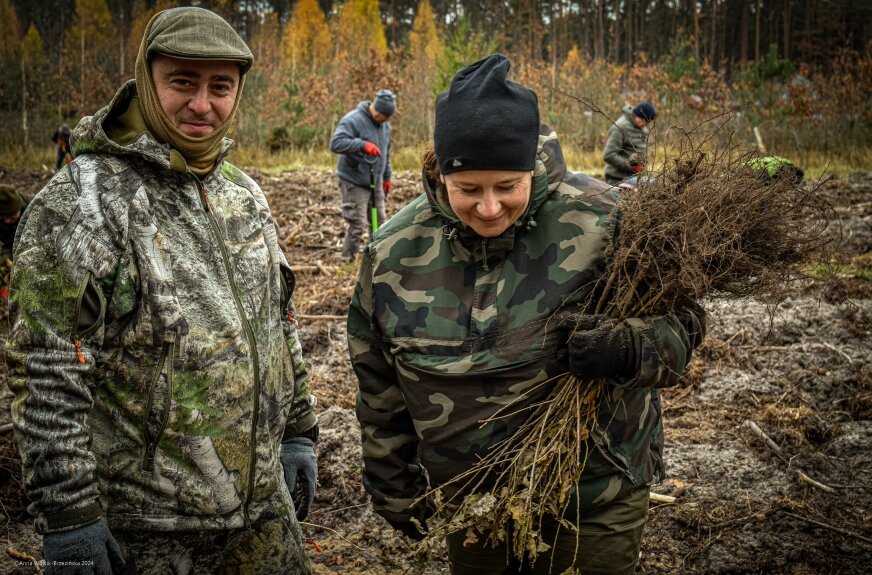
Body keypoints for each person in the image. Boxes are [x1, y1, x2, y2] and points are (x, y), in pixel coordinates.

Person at [348, 54, 706, 574]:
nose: (489, 208)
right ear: (441, 171)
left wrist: (630, 347)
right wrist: (393, 487)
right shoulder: (392, 254)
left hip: (594, 501)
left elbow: (688, 326)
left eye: (507, 186)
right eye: (468, 189)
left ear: (530, 169)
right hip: (471, 506)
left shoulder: (608, 222)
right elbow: (378, 385)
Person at [6, 7, 317, 574]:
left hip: (263, 519)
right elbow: (45, 368)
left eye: (220, 87)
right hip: (148, 534)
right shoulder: (83, 204)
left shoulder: (243, 195)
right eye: (182, 82)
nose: (203, 105)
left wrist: (298, 430)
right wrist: (70, 515)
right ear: (146, 81)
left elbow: (281, 322)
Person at [329, 88, 396, 262]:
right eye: (385, 117)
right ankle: (347, 260)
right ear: (378, 111)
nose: (387, 121)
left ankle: (377, 259)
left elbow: (386, 154)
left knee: (380, 224)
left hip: (376, 181)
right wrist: (361, 145)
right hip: (354, 180)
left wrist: (387, 178)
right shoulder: (353, 120)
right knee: (357, 224)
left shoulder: (385, 126)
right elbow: (336, 143)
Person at [603, 100, 656, 185]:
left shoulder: (643, 130)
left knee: (658, 182)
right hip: (617, 178)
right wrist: (632, 167)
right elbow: (609, 155)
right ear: (636, 115)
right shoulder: (620, 127)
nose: (644, 124)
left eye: (647, 122)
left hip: (636, 176)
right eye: (643, 120)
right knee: (652, 184)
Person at [0, 184, 25, 298]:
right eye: (4, 217)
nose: (8, 221)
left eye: (13, 216)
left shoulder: (35, 208)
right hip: (10, 246)